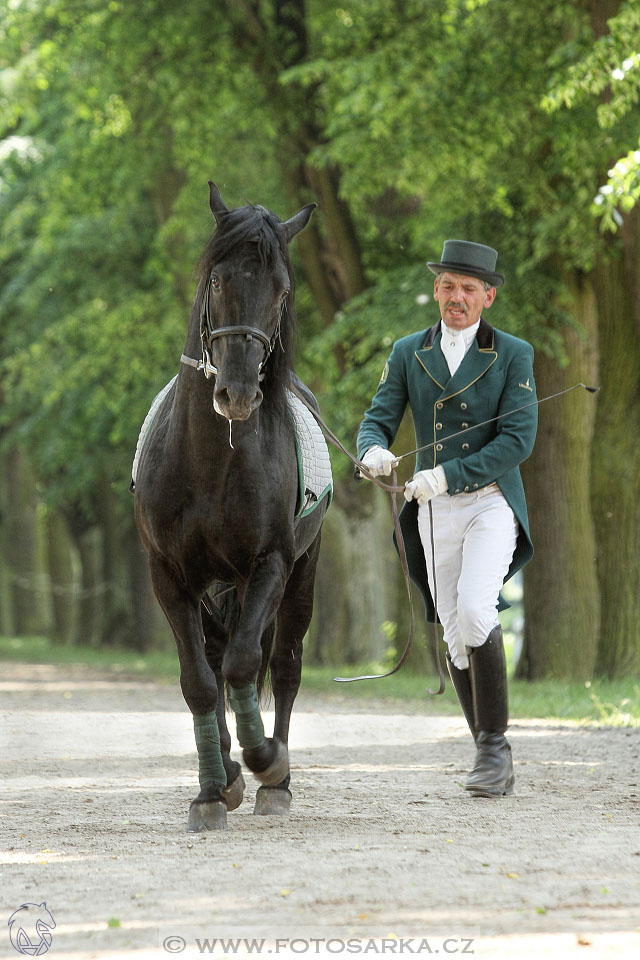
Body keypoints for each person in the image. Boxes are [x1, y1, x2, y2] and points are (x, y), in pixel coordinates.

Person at [357, 240, 537, 798]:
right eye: (447, 286)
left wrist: (449, 474)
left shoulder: (512, 353)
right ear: (436, 290)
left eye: (468, 288)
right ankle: (487, 752)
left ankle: (493, 748)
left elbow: (518, 440)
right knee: (456, 637)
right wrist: (371, 452)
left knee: (479, 610)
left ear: (488, 296)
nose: (456, 297)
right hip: (432, 512)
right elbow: (378, 419)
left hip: (489, 502)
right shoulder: (409, 350)